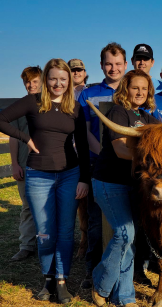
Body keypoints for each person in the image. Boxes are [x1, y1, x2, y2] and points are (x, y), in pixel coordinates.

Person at [0, 59, 90, 303]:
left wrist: (83, 179)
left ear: (69, 81)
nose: (58, 83)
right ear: (46, 79)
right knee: (45, 232)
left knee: (64, 230)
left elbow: (82, 145)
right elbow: (2, 119)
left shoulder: (75, 107)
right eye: (53, 78)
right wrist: (25, 138)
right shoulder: (33, 101)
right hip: (38, 175)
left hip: (70, 174)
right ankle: (47, 280)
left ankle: (62, 281)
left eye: (63, 79)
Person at [91, 69, 158, 307]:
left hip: (134, 186)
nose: (139, 92)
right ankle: (100, 283)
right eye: (135, 87)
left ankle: (125, 297)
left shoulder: (149, 119)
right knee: (124, 234)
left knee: (130, 241)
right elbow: (120, 150)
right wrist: (152, 157)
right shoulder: (118, 112)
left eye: (144, 88)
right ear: (125, 89)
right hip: (109, 182)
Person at [78, 42, 128, 289]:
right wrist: (105, 152)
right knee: (96, 221)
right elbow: (85, 130)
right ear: (101, 65)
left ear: (125, 65)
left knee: (127, 221)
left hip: (128, 166)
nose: (114, 68)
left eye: (118, 63)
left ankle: (130, 269)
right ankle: (92, 268)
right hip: (99, 164)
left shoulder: (132, 92)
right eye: (109, 63)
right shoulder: (88, 94)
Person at [9, 66, 42, 262]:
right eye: (28, 82)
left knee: (48, 206)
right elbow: (13, 138)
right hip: (25, 163)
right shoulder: (19, 107)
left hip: (46, 165)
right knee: (27, 206)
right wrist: (14, 163)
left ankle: (48, 243)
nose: (31, 85)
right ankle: (27, 245)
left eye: (35, 81)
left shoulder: (49, 105)